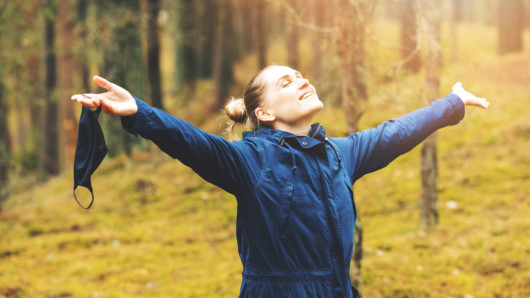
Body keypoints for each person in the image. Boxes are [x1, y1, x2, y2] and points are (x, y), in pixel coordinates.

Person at [71, 65, 489, 297]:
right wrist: (139, 112)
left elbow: (396, 132)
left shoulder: (341, 153)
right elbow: (193, 142)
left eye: (302, 76)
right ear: (265, 114)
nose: (304, 81)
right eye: (286, 82)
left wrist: (452, 103)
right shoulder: (248, 160)